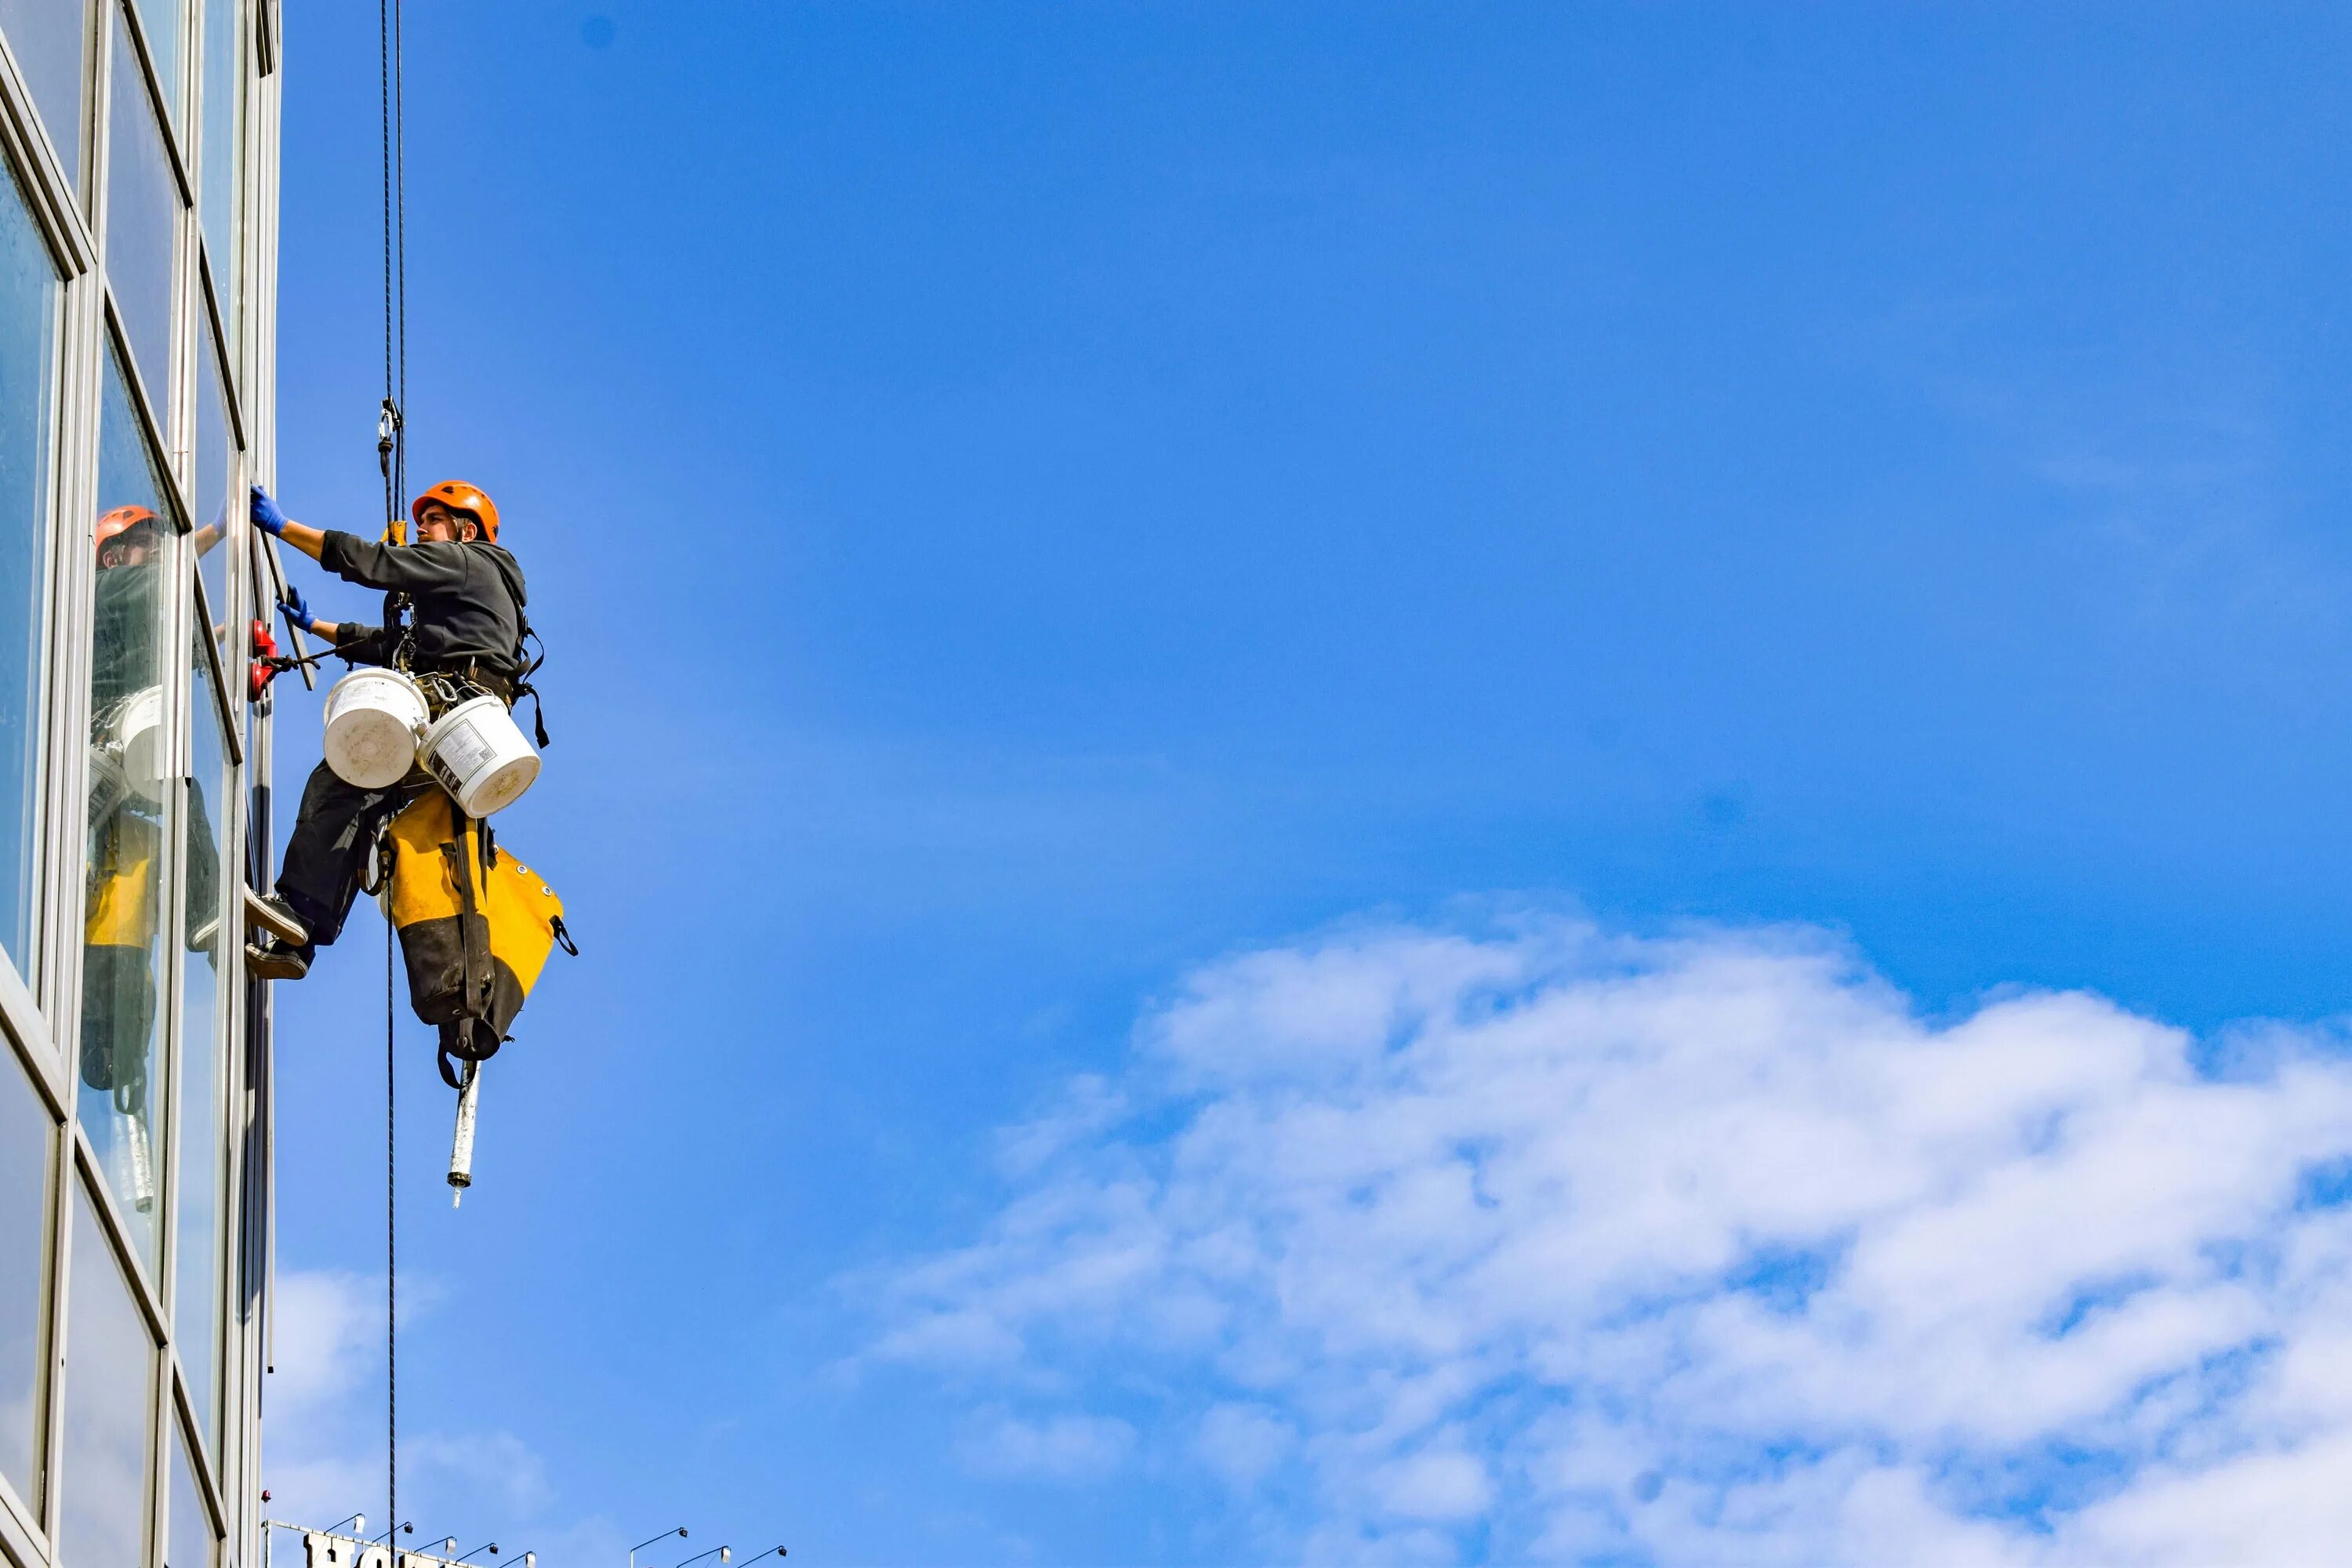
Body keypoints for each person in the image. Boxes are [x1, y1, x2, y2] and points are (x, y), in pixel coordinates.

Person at [245, 481, 529, 981]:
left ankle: (295, 913)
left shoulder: (467, 561)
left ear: (466, 530)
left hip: (447, 719)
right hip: (463, 736)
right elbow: (395, 645)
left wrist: (282, 528)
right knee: (360, 804)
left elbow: (374, 563)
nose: (421, 529)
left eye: (433, 521)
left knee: (338, 779)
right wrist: (314, 626)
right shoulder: (476, 593)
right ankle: (298, 937)